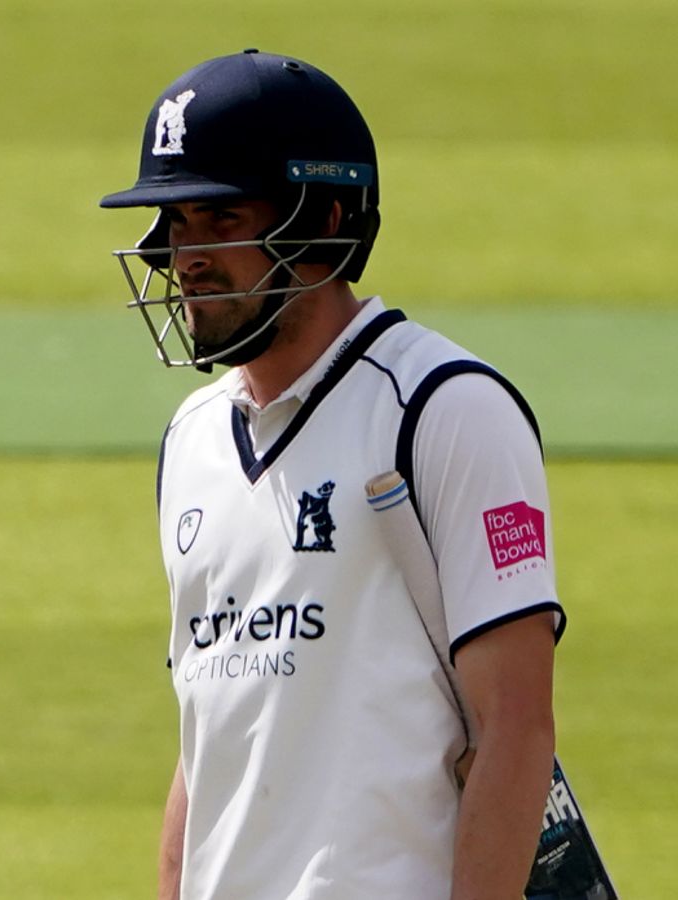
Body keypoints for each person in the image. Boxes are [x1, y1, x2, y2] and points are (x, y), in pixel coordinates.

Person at [98, 51, 563, 899]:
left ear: (323, 220)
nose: (184, 255)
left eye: (219, 217)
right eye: (174, 222)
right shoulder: (192, 439)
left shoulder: (443, 409)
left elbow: (517, 727)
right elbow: (206, 743)